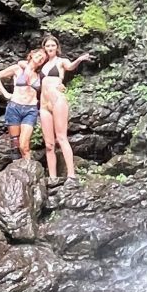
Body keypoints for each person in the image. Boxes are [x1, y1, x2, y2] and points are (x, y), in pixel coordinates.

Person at [37, 34, 92, 182]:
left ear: (57, 47)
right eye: (47, 46)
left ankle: (71, 174)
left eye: (52, 45)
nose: (50, 48)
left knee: (61, 137)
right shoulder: (42, 65)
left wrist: (80, 59)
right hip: (43, 104)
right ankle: (53, 177)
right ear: (44, 48)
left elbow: (70, 67)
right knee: (48, 144)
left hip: (57, 100)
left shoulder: (61, 61)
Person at [0, 46, 46, 161]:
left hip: (30, 110)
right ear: (32, 54)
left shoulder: (40, 75)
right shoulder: (18, 68)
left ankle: (29, 171)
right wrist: (6, 93)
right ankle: (18, 170)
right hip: (14, 107)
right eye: (39, 55)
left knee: (24, 145)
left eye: (43, 58)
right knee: (15, 146)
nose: (41, 58)